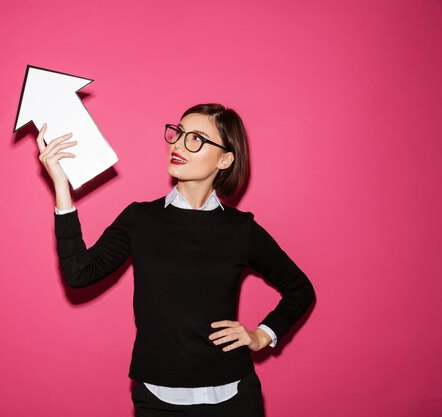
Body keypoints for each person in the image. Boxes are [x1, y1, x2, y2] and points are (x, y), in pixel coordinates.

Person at [36, 103, 315, 417]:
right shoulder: (140, 219)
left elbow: (300, 288)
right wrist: (61, 185)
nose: (179, 144)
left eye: (196, 139)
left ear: (224, 159)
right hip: (157, 400)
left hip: (235, 397)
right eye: (179, 134)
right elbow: (80, 273)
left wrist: (262, 335)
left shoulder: (241, 229)